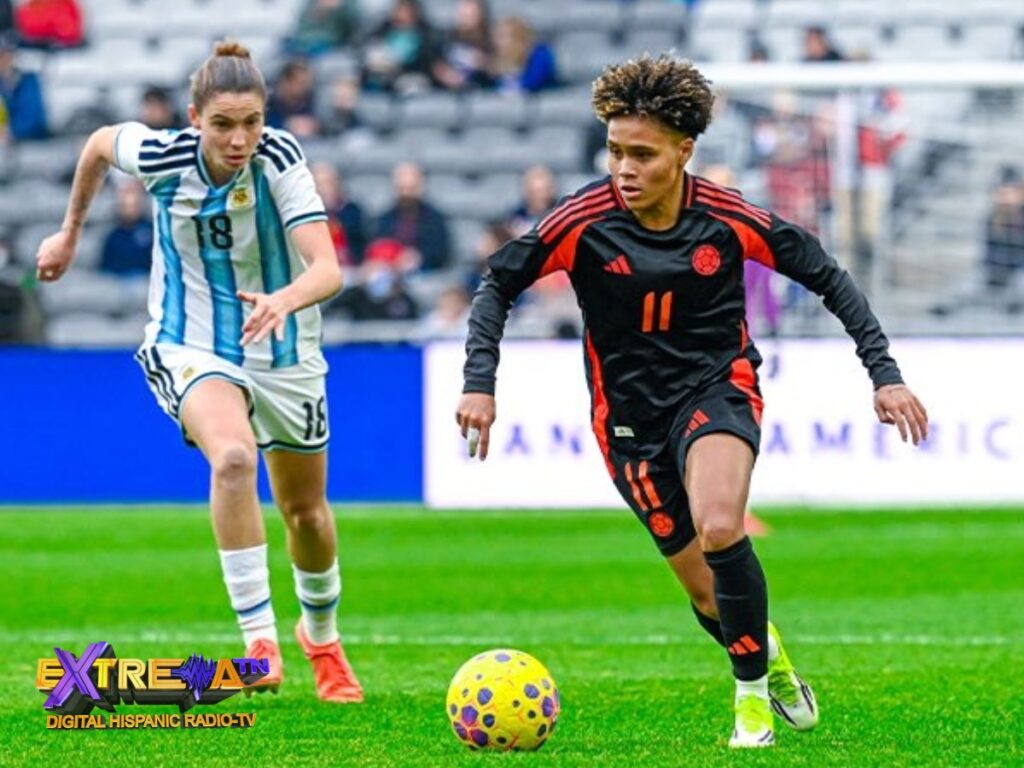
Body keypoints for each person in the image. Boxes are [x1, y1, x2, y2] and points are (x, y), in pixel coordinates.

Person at [456, 55, 929, 749]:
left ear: (683, 151)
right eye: (615, 151)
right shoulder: (583, 220)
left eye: (642, 154)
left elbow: (827, 274)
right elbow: (498, 283)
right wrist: (480, 381)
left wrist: (884, 374)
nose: (624, 168)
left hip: (717, 388)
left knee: (719, 526)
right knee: (707, 592)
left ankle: (751, 704)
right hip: (627, 421)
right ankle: (770, 657)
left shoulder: (726, 217)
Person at [35, 41, 363, 705]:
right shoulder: (164, 158)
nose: (239, 139)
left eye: (252, 122)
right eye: (223, 125)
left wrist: (283, 300)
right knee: (234, 459)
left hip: (284, 348)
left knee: (306, 514)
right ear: (194, 120)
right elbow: (98, 144)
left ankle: (322, 639)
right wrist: (69, 233)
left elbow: (327, 269)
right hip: (192, 343)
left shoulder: (280, 158)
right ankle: (260, 643)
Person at [98, 179, 153, 278]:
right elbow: (105, 269)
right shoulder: (113, 237)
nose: (130, 209)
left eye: (134, 205)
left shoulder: (152, 232)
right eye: (125, 205)